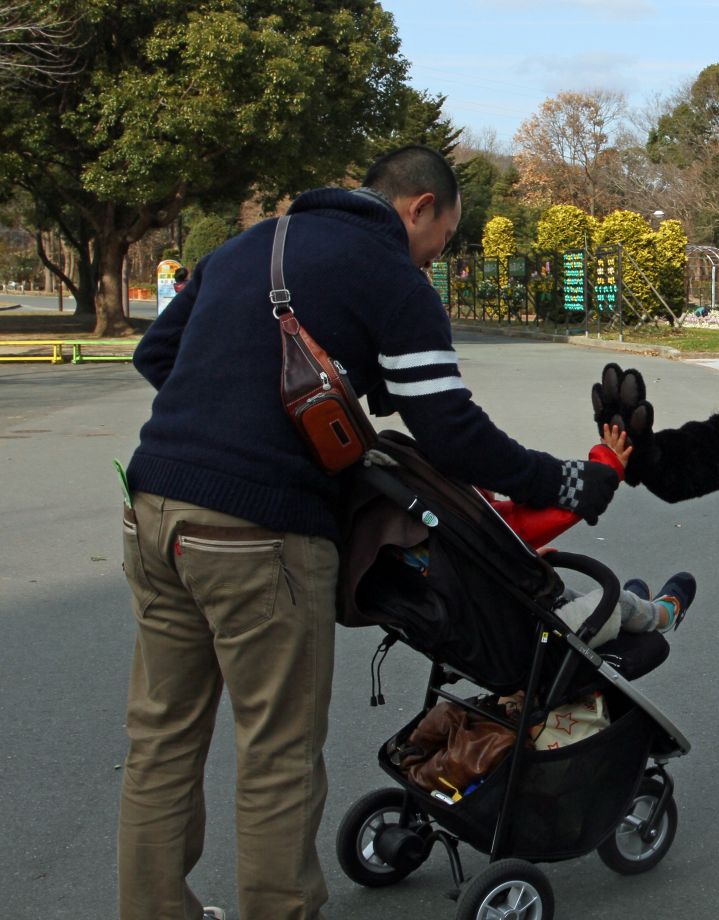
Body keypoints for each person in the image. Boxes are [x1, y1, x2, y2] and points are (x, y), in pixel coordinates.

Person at [116, 144, 619, 920]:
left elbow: (158, 354)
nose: (433, 258)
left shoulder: (254, 243)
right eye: (442, 239)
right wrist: (563, 481)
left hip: (153, 510)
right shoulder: (391, 275)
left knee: (162, 739)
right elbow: (451, 432)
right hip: (262, 534)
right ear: (420, 208)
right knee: (278, 752)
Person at [402, 423, 697, 642]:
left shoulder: (418, 542)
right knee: (614, 601)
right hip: (531, 639)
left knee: (568, 593)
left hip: (470, 634)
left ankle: (635, 611)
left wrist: (517, 558)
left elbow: (481, 557)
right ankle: (661, 616)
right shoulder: (472, 526)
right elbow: (529, 520)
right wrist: (608, 467)